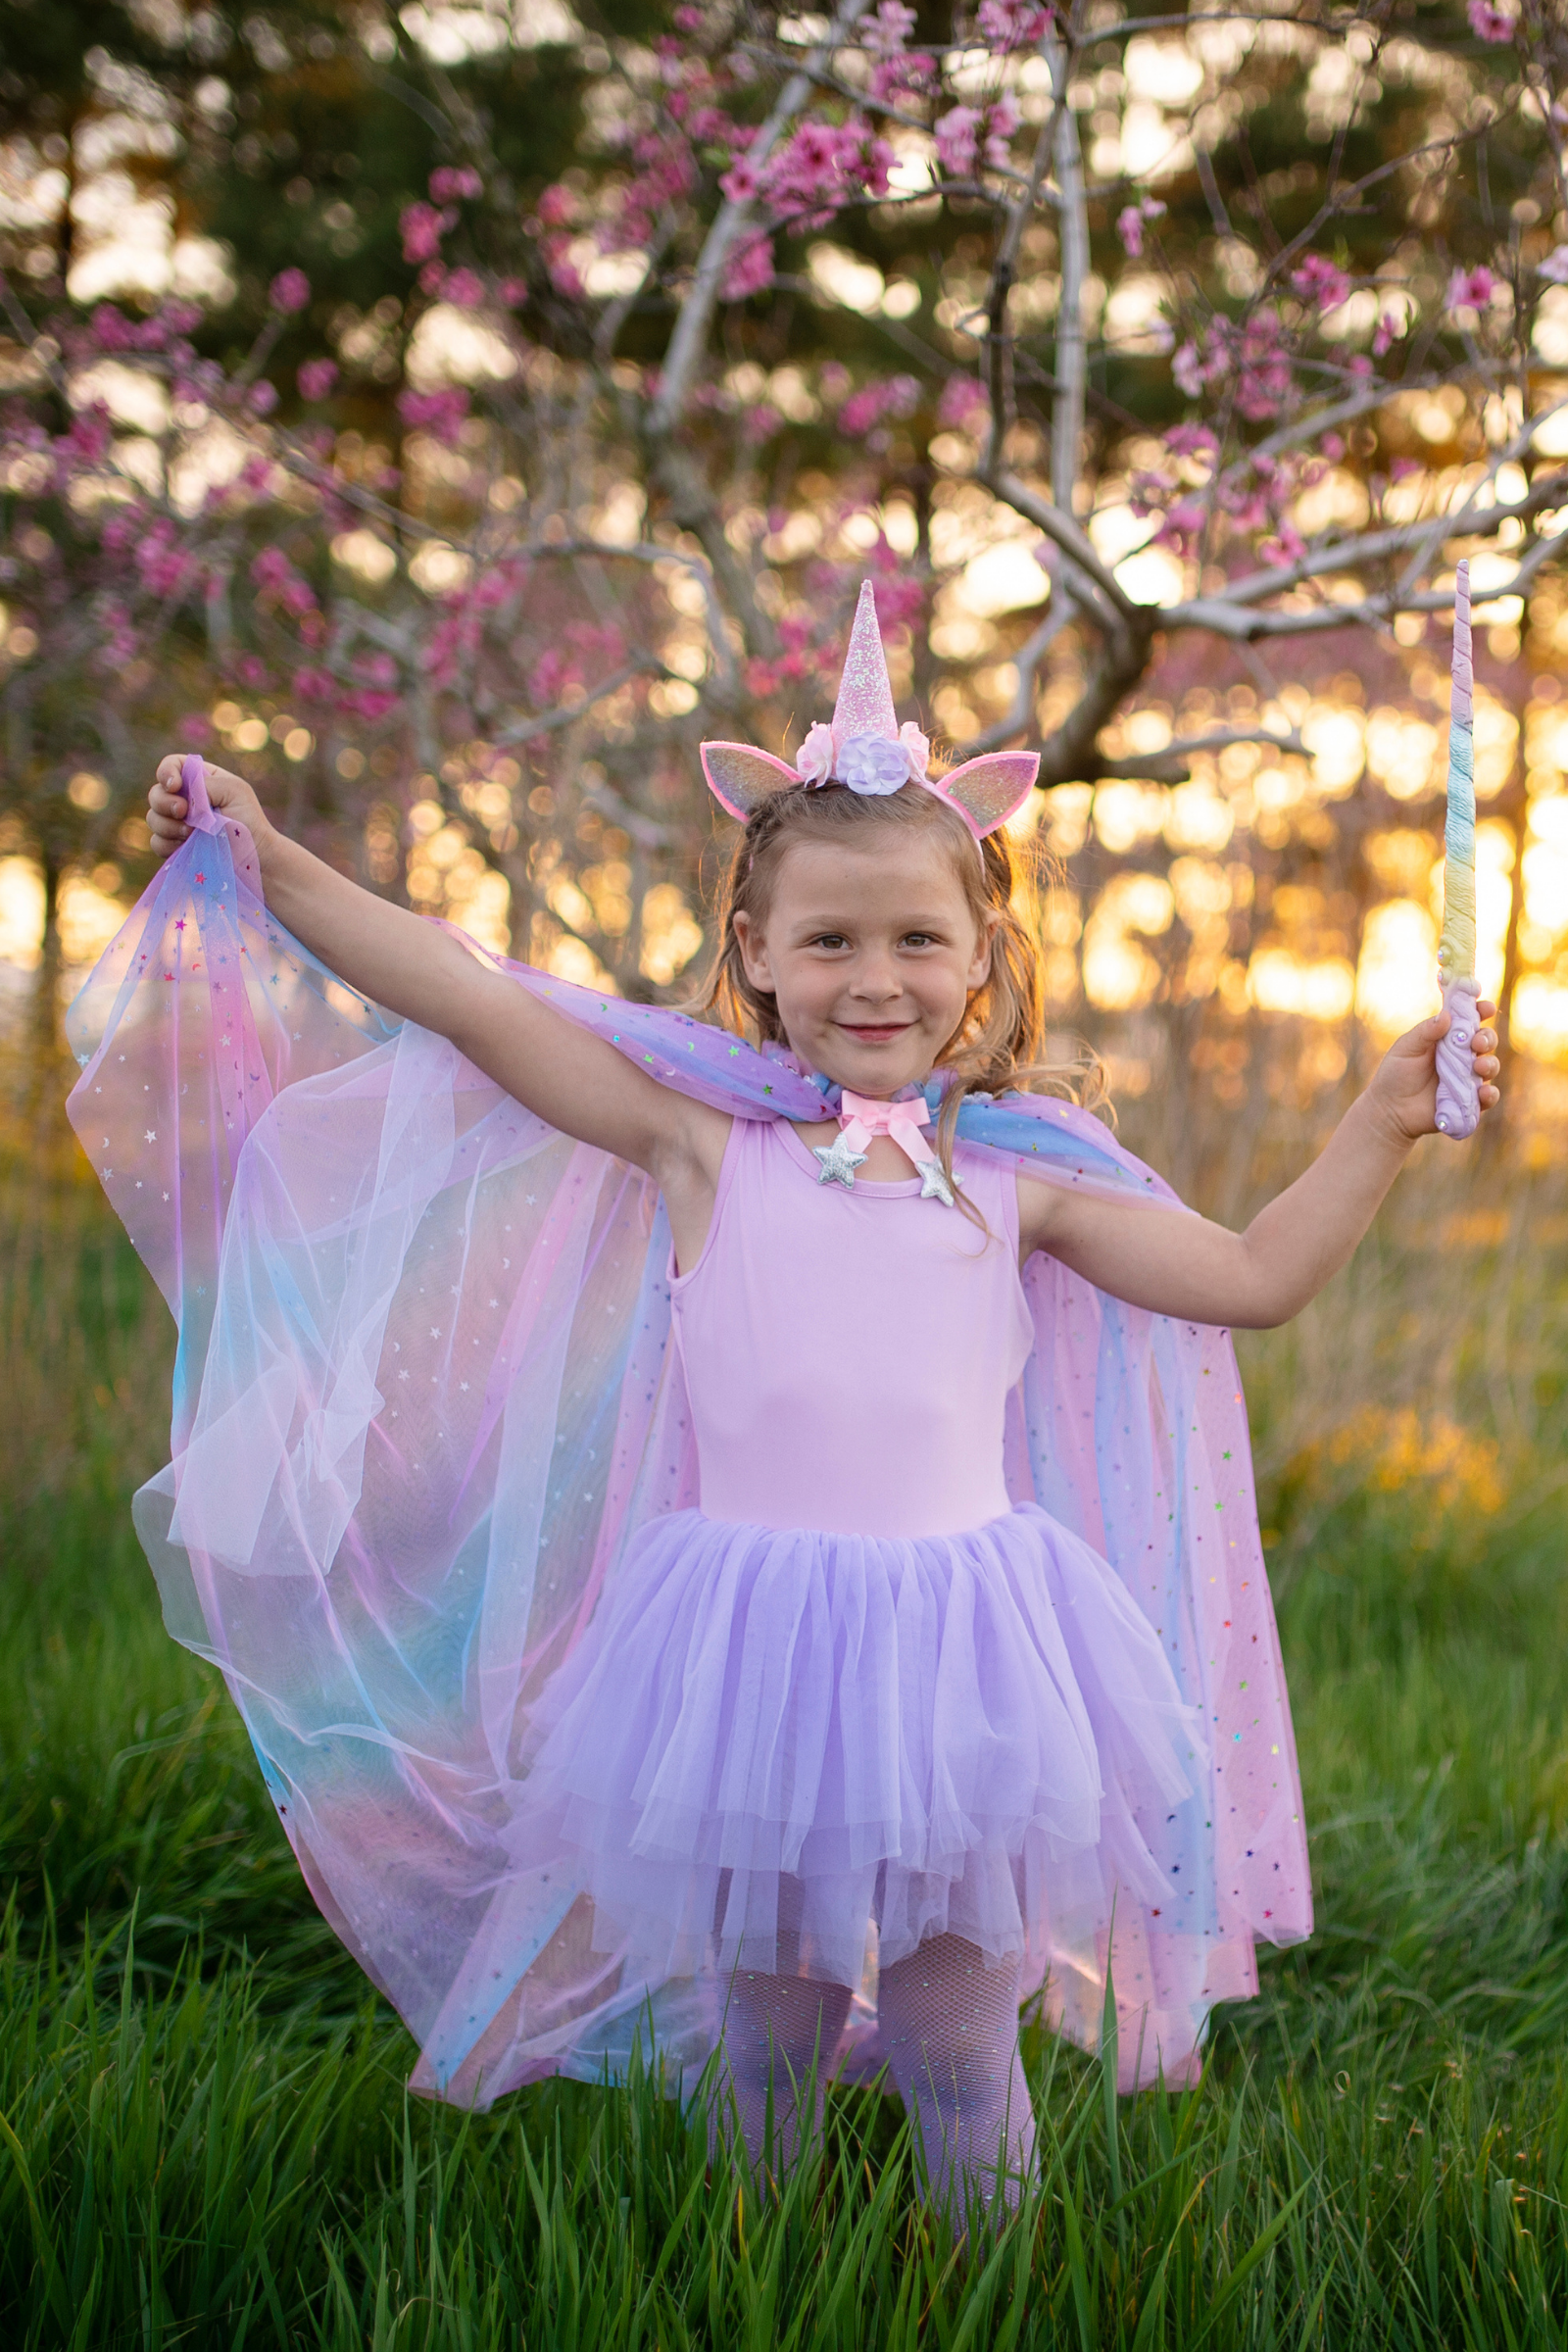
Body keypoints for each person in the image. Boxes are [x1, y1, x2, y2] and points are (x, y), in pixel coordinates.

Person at [88, 584, 1495, 2220]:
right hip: (747, 1656)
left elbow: (1252, 1274)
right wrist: (272, 858)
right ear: (755, 950)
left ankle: (993, 2290)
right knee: (765, 2041)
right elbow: (467, 992)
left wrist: (1380, 1122)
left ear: (983, 954)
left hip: (964, 1659)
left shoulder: (1019, 1179)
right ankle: (758, 2273)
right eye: (829, 940)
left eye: (917, 940)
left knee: (956, 2038)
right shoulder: (701, 1145)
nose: (874, 978)